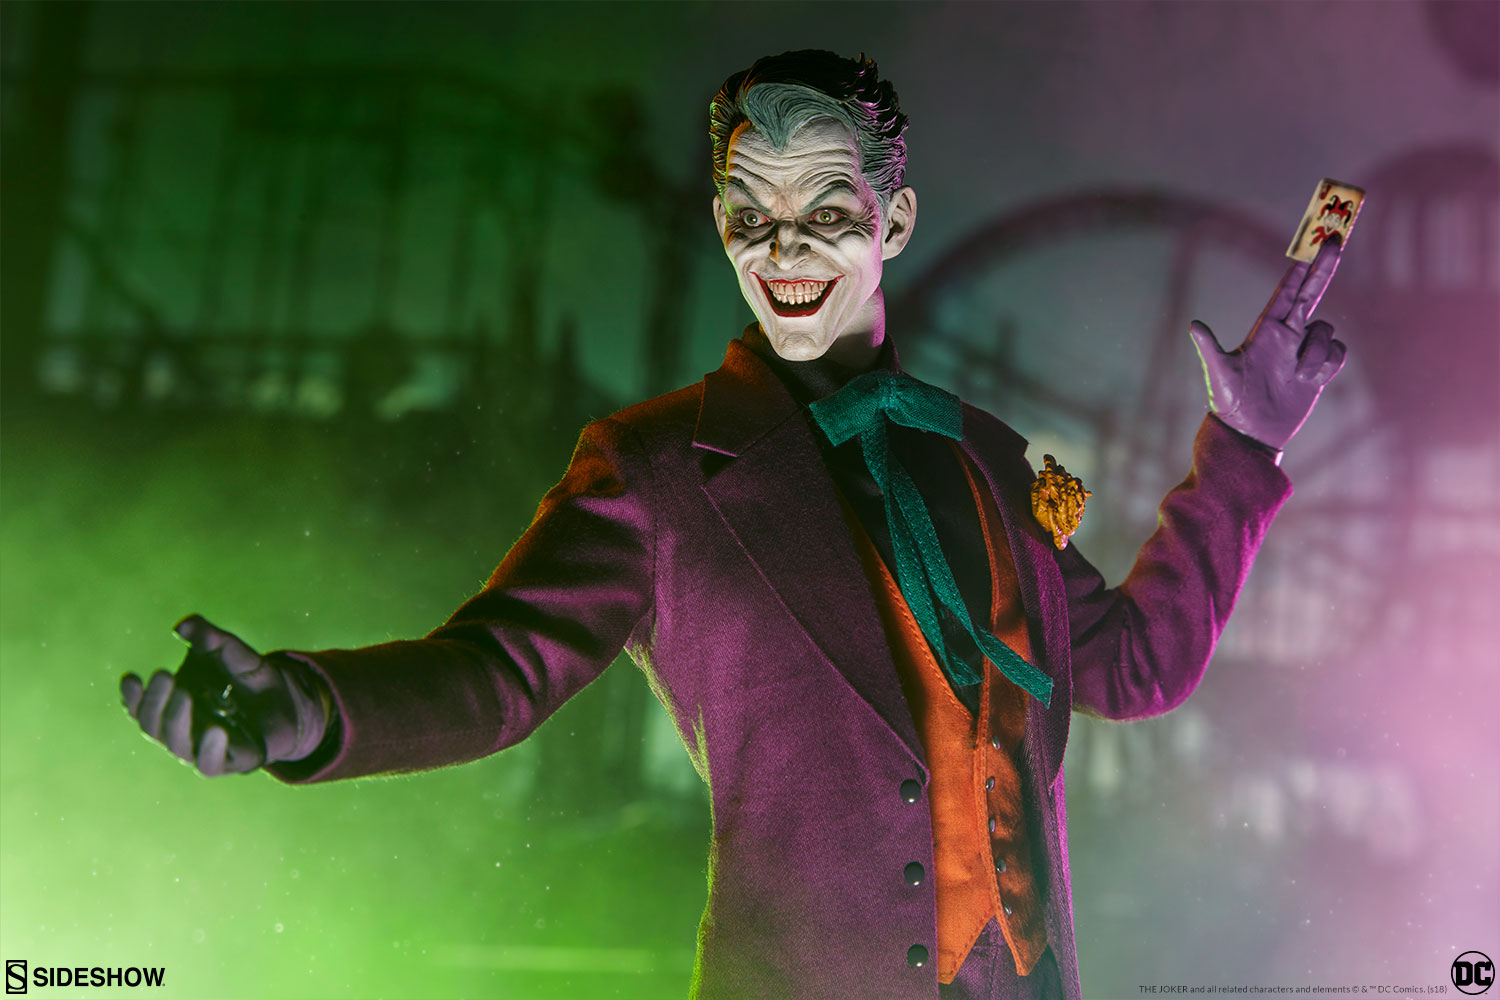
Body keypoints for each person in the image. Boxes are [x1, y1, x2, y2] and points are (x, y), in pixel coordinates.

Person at [120, 50, 1347, 1000]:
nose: (786, 247)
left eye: (827, 208)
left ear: (895, 222)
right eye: (751, 212)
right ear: (721, 225)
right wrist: (312, 708)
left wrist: (1243, 449)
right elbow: (498, 671)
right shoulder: (654, 471)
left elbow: (1131, 663)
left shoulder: (988, 455)